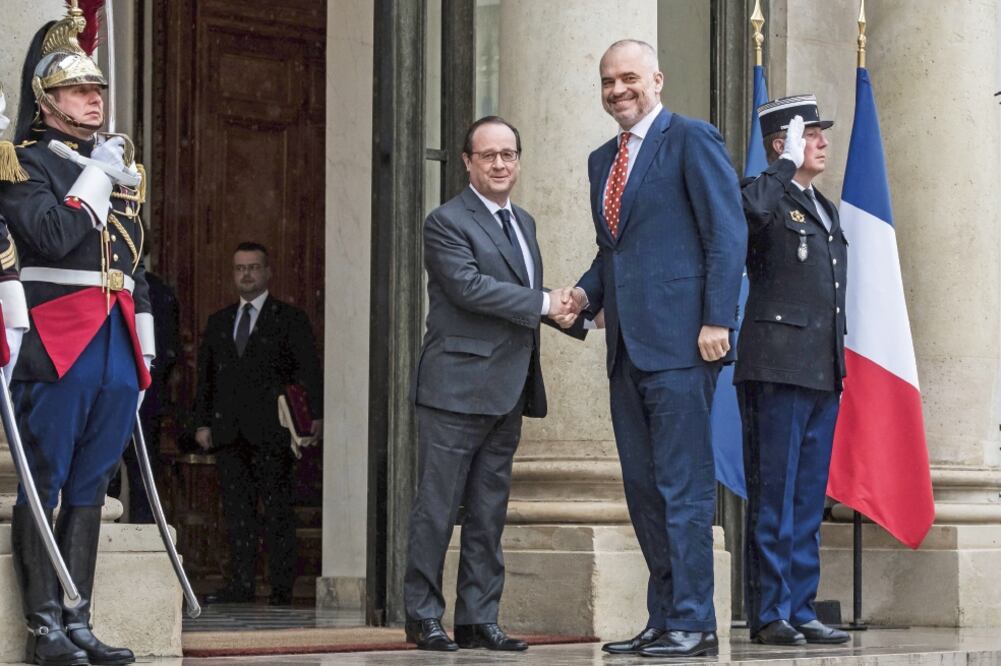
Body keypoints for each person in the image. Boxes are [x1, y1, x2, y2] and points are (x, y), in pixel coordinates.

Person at [559, 40, 746, 658]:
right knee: (643, 491)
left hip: (683, 347)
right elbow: (611, 252)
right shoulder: (599, 161)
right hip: (626, 352)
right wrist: (582, 298)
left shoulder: (692, 138)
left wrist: (718, 318)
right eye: (608, 81)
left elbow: (726, 231)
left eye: (629, 78)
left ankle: (695, 619)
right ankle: (665, 619)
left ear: (657, 80)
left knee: (683, 490)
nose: (618, 90)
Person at [0, 6, 156, 664]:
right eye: (79, 92)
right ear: (48, 102)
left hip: (114, 339)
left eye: (97, 91)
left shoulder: (118, 170)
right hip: (56, 337)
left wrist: (143, 337)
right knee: (46, 479)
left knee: (93, 483)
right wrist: (96, 174)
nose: (94, 101)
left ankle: (78, 618)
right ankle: (43, 629)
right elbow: (56, 235)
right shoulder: (24, 164)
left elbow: (131, 259)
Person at [403, 116, 584, 652]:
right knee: (436, 510)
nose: (500, 164)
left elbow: (518, 294)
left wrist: (571, 310)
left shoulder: (523, 221)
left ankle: (479, 618)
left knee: (488, 511)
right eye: (489, 156)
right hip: (454, 388)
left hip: (508, 388)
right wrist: (546, 303)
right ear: (467, 162)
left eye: (509, 154)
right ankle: (423, 616)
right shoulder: (446, 221)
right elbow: (469, 288)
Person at [735, 95, 850, 646]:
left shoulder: (821, 207)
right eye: (813, 133)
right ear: (783, 142)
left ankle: (801, 606)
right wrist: (780, 167)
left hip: (821, 368)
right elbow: (748, 213)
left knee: (807, 498)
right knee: (775, 494)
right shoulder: (767, 195)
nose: (824, 142)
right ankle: (768, 611)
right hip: (776, 367)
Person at [195, 241, 322, 606]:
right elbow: (206, 379)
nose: (246, 274)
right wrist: (202, 424)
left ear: (267, 273)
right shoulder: (219, 322)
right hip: (228, 433)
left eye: (253, 267)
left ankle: (282, 588)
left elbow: (308, 372)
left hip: (273, 433)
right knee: (237, 514)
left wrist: (314, 417)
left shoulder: (289, 319)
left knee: (278, 511)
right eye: (240, 268)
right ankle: (241, 585)